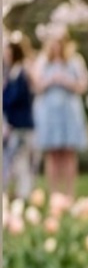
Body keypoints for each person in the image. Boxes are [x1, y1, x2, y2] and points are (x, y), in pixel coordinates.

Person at [31, 25, 88, 199]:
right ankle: (55, 194)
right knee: (53, 154)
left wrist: (66, 82)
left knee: (68, 153)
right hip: (50, 112)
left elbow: (83, 86)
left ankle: (70, 194)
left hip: (69, 111)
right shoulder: (43, 60)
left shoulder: (75, 60)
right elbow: (36, 85)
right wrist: (50, 80)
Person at [2, 33, 36, 200]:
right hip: (14, 124)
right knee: (14, 160)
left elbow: (15, 98)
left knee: (20, 160)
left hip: (21, 124)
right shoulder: (11, 73)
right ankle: (17, 193)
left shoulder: (22, 73)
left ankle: (23, 193)